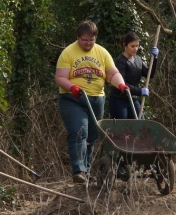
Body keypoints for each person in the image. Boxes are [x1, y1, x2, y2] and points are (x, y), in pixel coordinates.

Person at [55, 20, 129, 183]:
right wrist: (72, 87)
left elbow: (111, 73)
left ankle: (86, 172)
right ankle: (79, 171)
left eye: (91, 40)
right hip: (73, 99)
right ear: (78, 37)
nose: (88, 43)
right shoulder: (68, 53)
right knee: (80, 131)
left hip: (97, 99)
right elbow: (60, 77)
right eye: (85, 40)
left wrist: (121, 84)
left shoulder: (102, 53)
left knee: (93, 136)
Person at [108, 32, 159, 119]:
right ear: (125, 45)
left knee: (140, 123)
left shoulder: (138, 59)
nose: (135, 49)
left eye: (137, 46)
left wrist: (155, 59)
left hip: (133, 99)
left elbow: (149, 74)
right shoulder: (120, 61)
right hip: (119, 100)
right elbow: (123, 83)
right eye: (132, 46)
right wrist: (140, 91)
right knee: (123, 128)